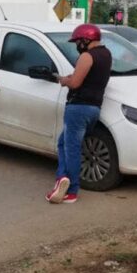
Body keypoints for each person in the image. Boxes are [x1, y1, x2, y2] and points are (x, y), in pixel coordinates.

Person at [46, 24, 112, 204]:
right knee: (63, 143)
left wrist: (64, 80)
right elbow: (90, 78)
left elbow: (75, 83)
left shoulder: (87, 56)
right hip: (94, 108)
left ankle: (71, 190)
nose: (77, 45)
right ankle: (62, 177)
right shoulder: (106, 54)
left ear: (85, 40)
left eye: (77, 41)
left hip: (78, 108)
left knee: (72, 149)